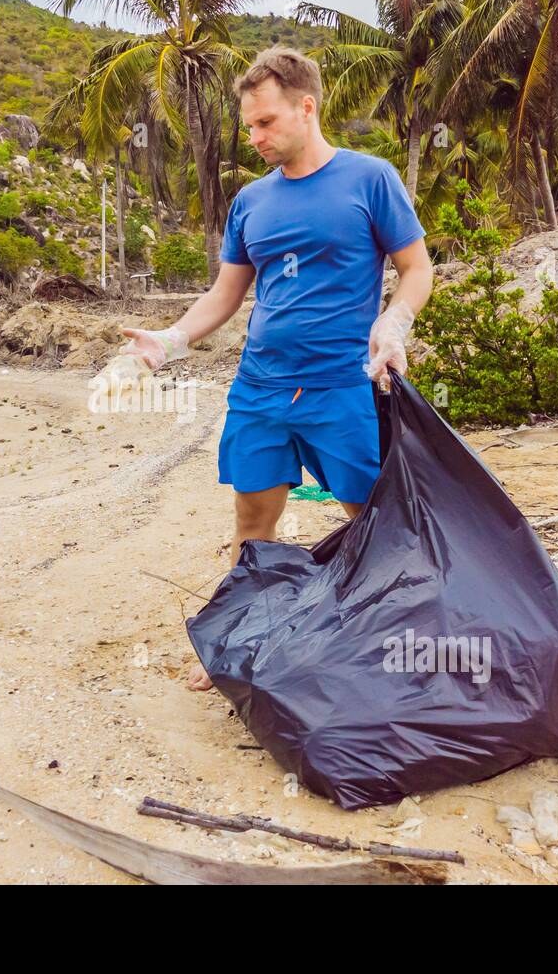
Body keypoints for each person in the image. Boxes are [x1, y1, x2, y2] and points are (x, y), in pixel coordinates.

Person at [120, 46, 434, 691]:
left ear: (306, 106)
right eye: (250, 125)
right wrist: (169, 340)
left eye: (265, 122)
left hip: (340, 386)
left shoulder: (369, 179)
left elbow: (416, 269)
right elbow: (225, 294)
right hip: (259, 389)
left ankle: (406, 644)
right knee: (252, 526)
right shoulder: (251, 203)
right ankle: (237, 645)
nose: (255, 137)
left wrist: (392, 323)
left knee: (369, 519)